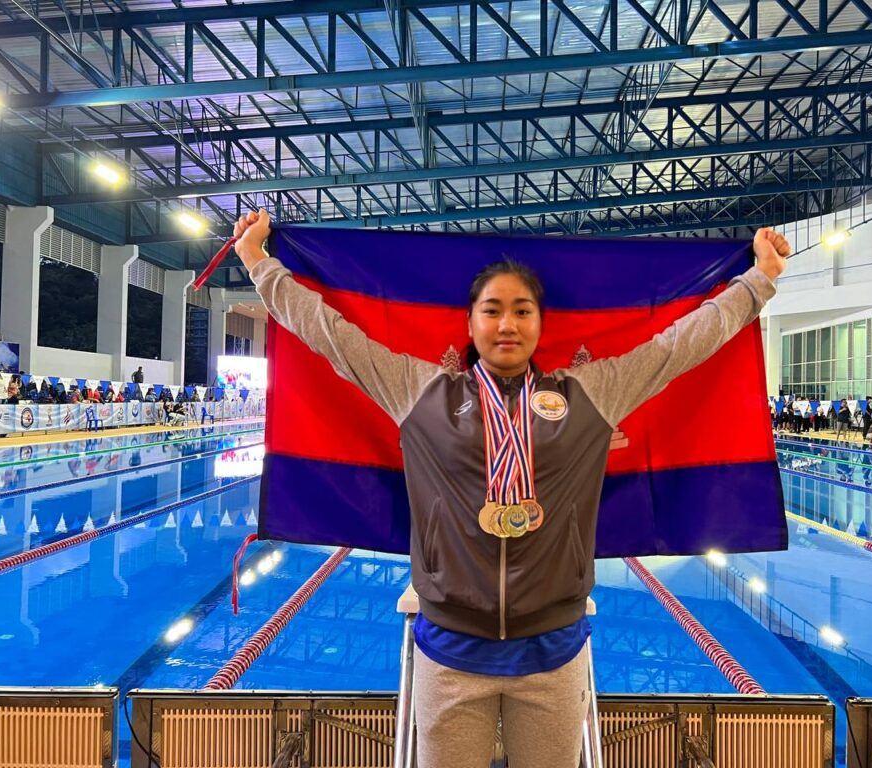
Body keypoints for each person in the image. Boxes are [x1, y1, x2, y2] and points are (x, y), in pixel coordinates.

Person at [231, 208, 789, 768]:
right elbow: (331, 335)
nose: (507, 324)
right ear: (470, 322)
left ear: (540, 324)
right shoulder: (421, 392)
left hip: (553, 651)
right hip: (450, 651)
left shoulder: (588, 395)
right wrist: (258, 263)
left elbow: (679, 345)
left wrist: (760, 278)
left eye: (522, 311)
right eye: (492, 310)